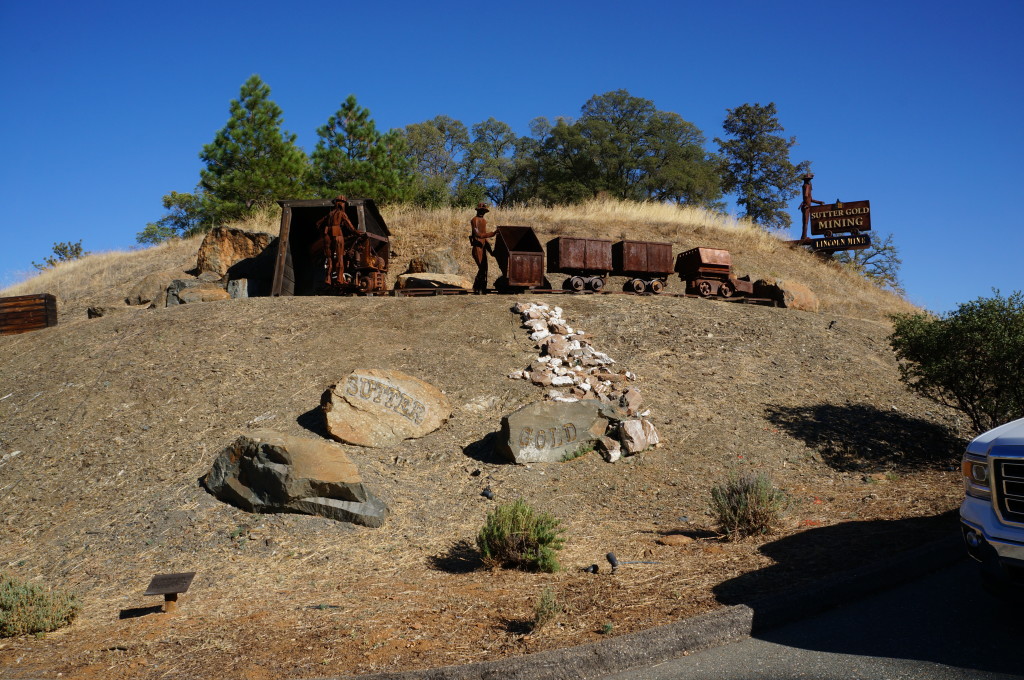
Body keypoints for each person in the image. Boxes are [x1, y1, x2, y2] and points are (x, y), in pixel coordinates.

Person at [319, 195, 358, 286]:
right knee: (340, 257)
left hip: (327, 235)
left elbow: (318, 223)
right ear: (342, 204)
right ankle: (339, 278)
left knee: (329, 258)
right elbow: (349, 225)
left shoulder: (329, 214)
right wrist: (356, 232)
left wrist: (323, 232)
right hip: (337, 233)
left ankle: (328, 278)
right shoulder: (341, 213)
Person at [470, 202, 496, 293]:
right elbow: (478, 234)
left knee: (485, 268)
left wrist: (491, 251)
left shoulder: (484, 221)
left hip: (483, 247)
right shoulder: (474, 220)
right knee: (482, 268)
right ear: (478, 210)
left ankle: (481, 288)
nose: (482, 213)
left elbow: (484, 238)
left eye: (484, 211)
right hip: (477, 247)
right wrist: (492, 233)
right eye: (481, 211)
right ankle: (477, 288)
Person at [799, 173, 826, 241]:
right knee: (805, 222)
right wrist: (806, 204)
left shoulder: (807, 186)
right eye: (808, 179)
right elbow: (806, 195)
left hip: (807, 206)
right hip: (806, 207)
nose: (809, 181)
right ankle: (804, 237)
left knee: (806, 222)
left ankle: (804, 236)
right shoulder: (806, 186)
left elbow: (810, 199)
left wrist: (819, 202)